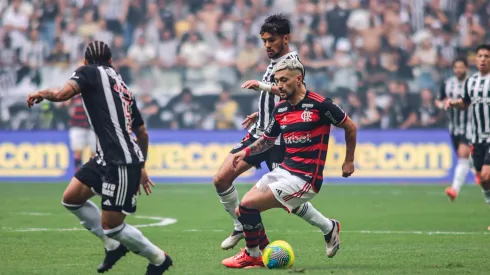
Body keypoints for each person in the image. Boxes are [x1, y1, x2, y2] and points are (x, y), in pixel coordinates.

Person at [26, 41, 172, 275]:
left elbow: (63, 94)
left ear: (85, 61)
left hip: (120, 161)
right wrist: (142, 163)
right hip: (105, 157)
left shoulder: (88, 72)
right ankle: (113, 246)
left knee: (112, 226)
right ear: (111, 61)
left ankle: (158, 258)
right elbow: (142, 132)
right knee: (72, 199)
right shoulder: (122, 86)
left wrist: (41, 93)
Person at [214, 14, 334, 252]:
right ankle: (240, 224)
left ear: (286, 38)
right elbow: (280, 99)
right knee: (221, 179)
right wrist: (260, 113)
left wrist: (261, 86)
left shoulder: (292, 61)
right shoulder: (274, 60)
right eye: (264, 41)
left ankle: (328, 227)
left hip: (279, 140)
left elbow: (293, 94)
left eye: (271, 40)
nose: (267, 45)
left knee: (285, 200)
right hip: (260, 133)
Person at [222, 58, 357, 268]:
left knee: (248, 206)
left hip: (305, 179)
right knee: (242, 210)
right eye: (277, 81)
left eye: (284, 80)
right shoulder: (281, 108)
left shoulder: (321, 105)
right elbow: (267, 140)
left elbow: (350, 127)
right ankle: (329, 227)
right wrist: (245, 152)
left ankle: (253, 255)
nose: (280, 86)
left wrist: (348, 161)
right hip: (285, 171)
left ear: (299, 79)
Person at [445, 44, 490, 230]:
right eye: (480, 56)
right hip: (477, 138)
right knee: (483, 179)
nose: (482, 59)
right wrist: (453, 104)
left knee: (487, 173)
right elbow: (465, 103)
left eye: (486, 56)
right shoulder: (471, 82)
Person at [435, 57, 474, 201]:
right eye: (456, 67)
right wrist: (442, 104)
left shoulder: (472, 83)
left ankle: (454, 189)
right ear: (453, 69)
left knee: (463, 154)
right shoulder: (447, 84)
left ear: (466, 68)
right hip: (454, 127)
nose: (459, 70)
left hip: (470, 125)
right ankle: (477, 170)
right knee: (465, 158)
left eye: (461, 67)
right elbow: (439, 100)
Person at [65, 95, 97, 171]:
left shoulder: (93, 93)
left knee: (95, 153)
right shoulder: (74, 94)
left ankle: (94, 174)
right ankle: (78, 175)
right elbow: (65, 104)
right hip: (77, 126)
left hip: (92, 127)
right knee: (78, 152)